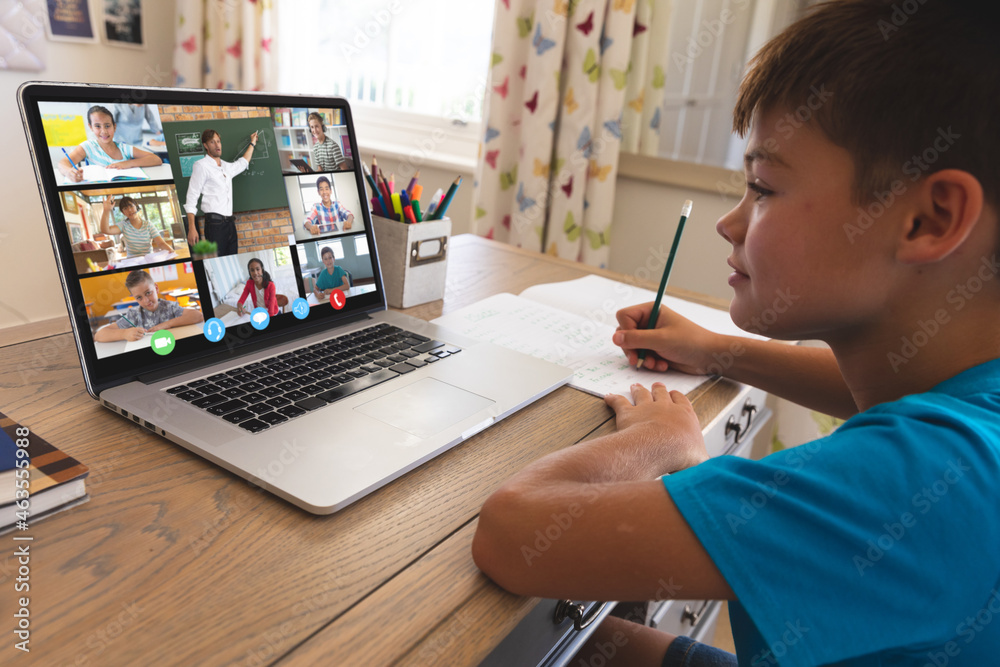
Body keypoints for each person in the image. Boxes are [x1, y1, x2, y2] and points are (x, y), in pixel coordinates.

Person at [472, 2, 1000, 665]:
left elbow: (512, 530)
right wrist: (711, 347)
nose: (731, 223)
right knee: (571, 644)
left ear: (930, 218)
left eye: (763, 187)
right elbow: (863, 387)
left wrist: (661, 444)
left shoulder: (927, 478)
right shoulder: (970, 399)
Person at [185, 128, 258, 256]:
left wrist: (252, 143)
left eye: (218, 141)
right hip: (214, 225)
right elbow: (192, 197)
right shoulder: (201, 166)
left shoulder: (225, 167)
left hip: (230, 223)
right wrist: (192, 228)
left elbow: (243, 162)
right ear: (206, 146)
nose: (217, 145)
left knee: (233, 257)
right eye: (212, 142)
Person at [57, 105, 163, 183]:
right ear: (91, 127)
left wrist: (127, 163)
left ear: (114, 127)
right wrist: (68, 172)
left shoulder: (124, 148)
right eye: (97, 126)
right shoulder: (88, 146)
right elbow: (62, 163)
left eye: (107, 126)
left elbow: (156, 159)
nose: (104, 131)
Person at [95, 270, 202, 342]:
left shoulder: (169, 307)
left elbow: (198, 316)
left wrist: (166, 324)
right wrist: (124, 333)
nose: (146, 301)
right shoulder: (134, 314)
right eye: (139, 298)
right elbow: (99, 335)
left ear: (156, 288)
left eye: (148, 293)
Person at [99, 195, 172, 257]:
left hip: (148, 259)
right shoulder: (123, 225)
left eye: (131, 206)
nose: (129, 210)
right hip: (132, 261)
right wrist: (106, 210)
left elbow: (161, 243)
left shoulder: (148, 225)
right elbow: (106, 230)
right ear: (123, 213)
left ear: (136, 206)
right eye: (125, 208)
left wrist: (171, 252)